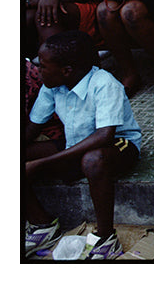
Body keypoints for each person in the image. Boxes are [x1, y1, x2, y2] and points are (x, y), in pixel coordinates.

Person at [23, 30, 142, 260]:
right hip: (75, 145)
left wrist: (40, 165)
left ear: (66, 70)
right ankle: (42, 224)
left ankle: (106, 238)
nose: (38, 70)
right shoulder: (52, 86)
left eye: (43, 66)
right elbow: (31, 129)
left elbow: (104, 136)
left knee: (92, 160)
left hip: (119, 147)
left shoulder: (104, 83)